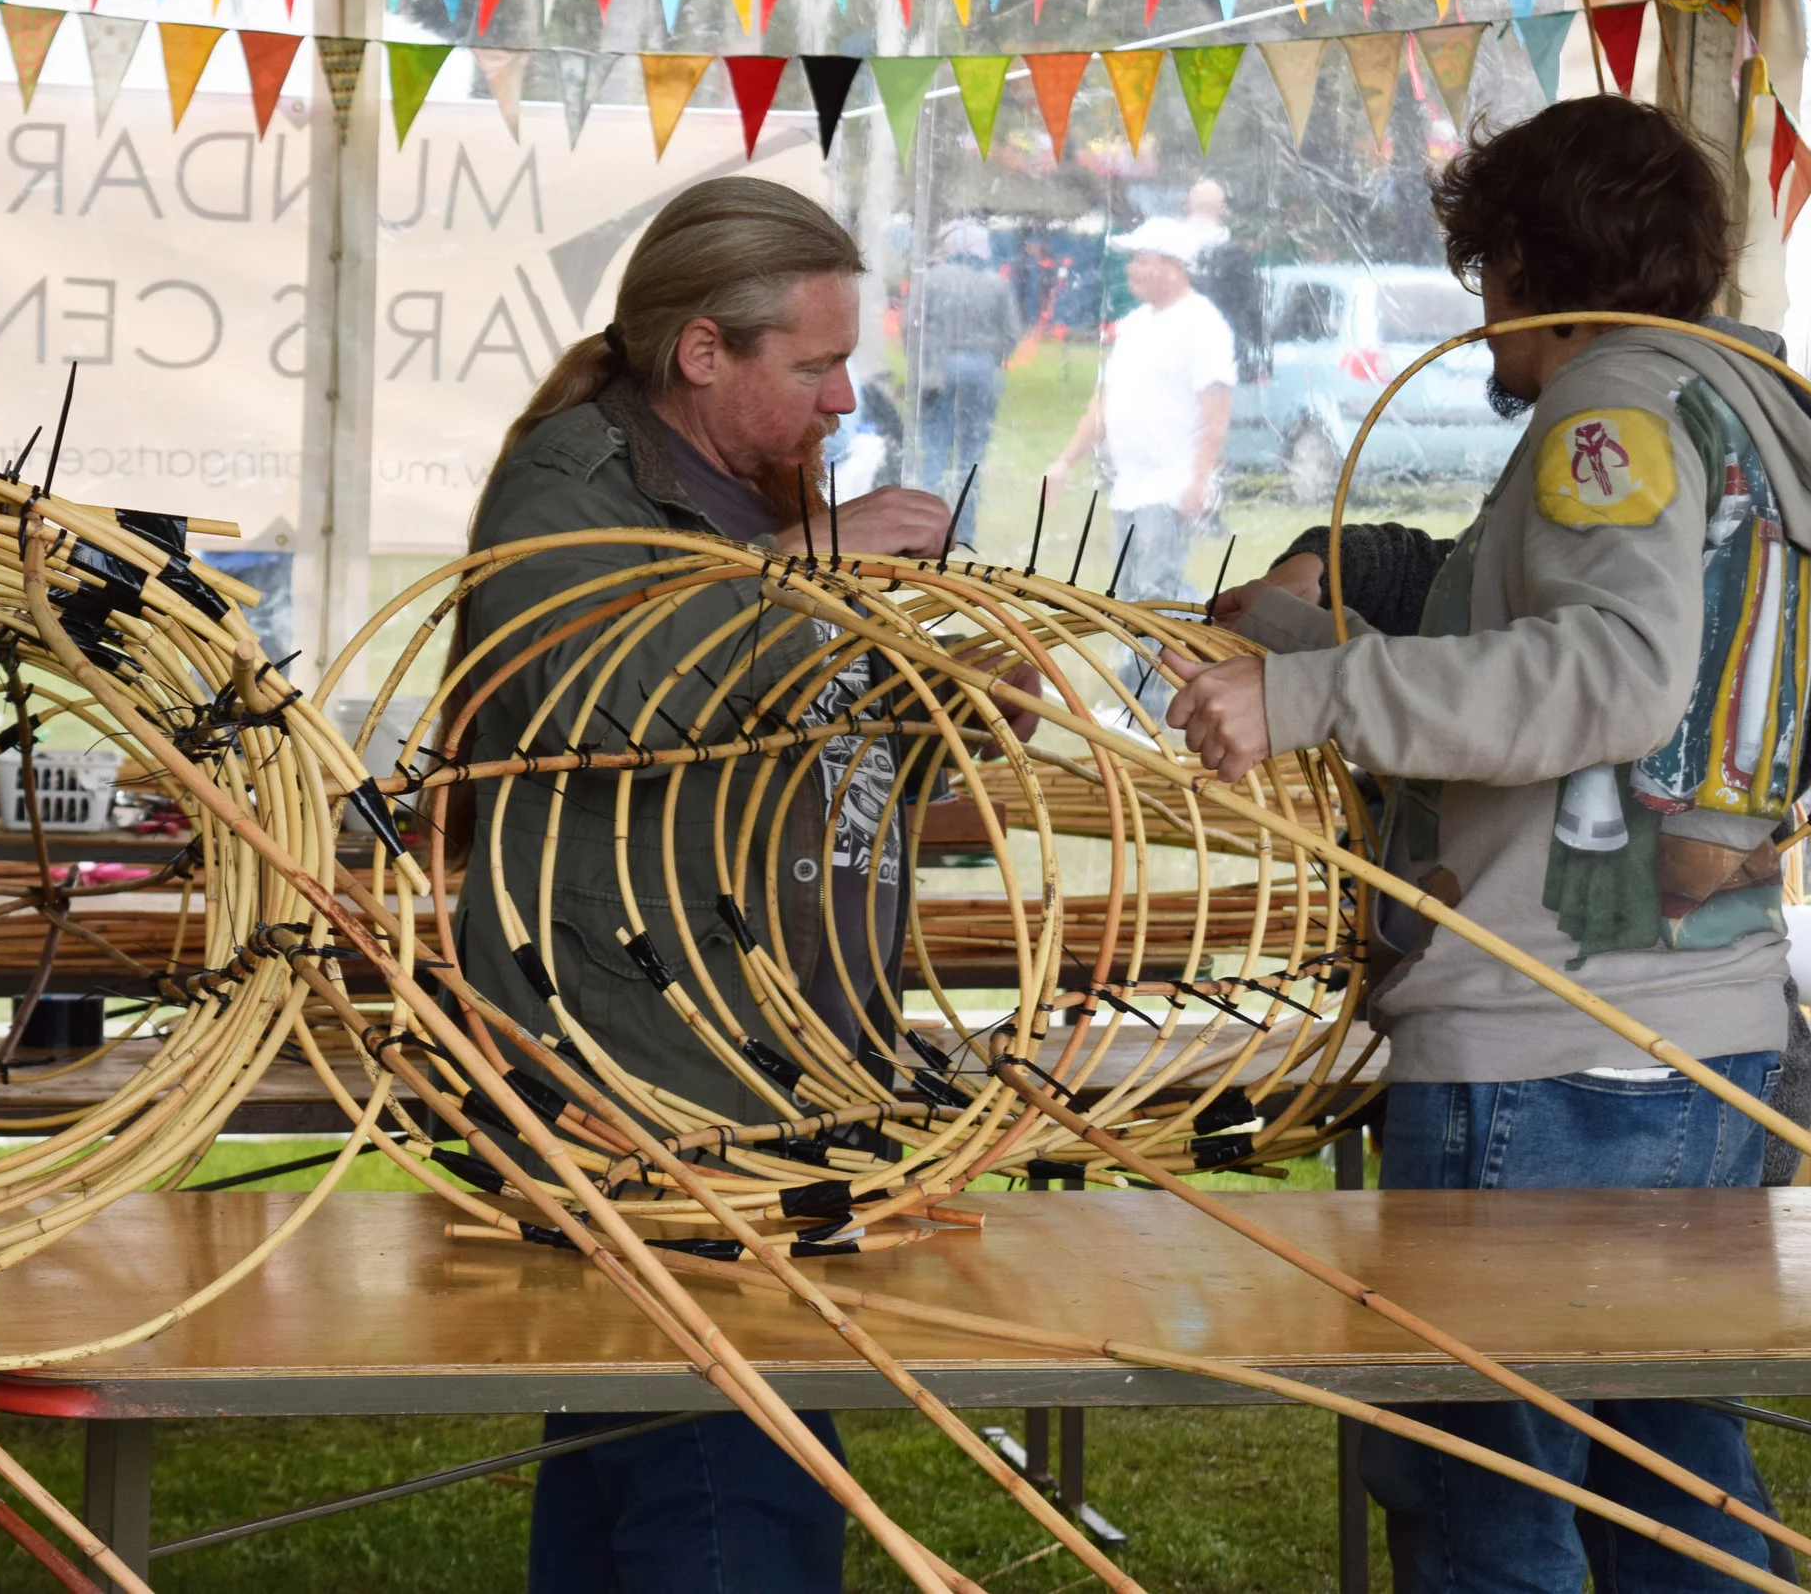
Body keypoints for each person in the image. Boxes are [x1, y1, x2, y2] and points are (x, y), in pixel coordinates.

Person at [1177, 97, 1811, 1592]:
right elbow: (1602, 671)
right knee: (1662, 1472)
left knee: (1485, 1490)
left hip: (1546, 1036)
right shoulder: (1736, 401)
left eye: (1481, 265)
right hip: (1697, 1022)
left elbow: (1613, 677)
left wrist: (1305, 691)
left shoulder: (1608, 411)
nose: (1477, 312)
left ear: (1520, 263)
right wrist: (1300, 638)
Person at [450, 177, 959, 1594]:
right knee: (728, 1491)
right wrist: (808, 570)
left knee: (651, 1462)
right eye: (814, 365)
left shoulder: (766, 503)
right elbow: (589, 693)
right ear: (702, 353)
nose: (845, 399)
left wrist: (950, 694)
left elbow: (813, 750)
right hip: (656, 1080)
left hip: (788, 1060)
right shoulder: (571, 484)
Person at [1046, 217, 1236, 604]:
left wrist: (1198, 480)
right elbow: (1103, 403)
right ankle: (1140, 666)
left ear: (1171, 266)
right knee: (1127, 597)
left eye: (1139, 259)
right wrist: (1064, 462)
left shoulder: (1202, 324)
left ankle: (1203, 652)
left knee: (1157, 596)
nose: (1130, 268)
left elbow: (1215, 411)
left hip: (1170, 488)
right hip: (1129, 489)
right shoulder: (1133, 326)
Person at [909, 220, 1022, 547]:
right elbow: (1012, 332)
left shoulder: (930, 280)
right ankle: (964, 533)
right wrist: (992, 359)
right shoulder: (996, 285)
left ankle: (924, 532)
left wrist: (925, 363)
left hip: (938, 368)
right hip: (981, 369)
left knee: (933, 450)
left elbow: (911, 328)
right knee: (971, 456)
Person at [1185, 179, 1266, 384]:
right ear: (1222, 208)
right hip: (1224, 343)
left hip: (1182, 343)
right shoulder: (1236, 253)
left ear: (1189, 205)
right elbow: (1249, 306)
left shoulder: (1171, 247)